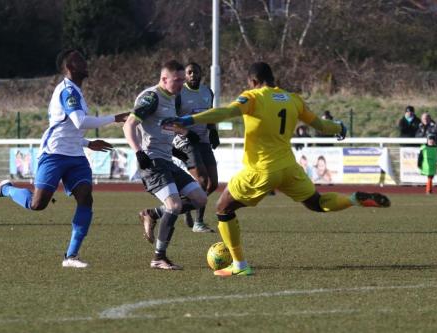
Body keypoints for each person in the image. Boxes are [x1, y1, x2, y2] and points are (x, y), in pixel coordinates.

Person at [161, 62, 391, 277]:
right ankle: (352, 199)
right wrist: (339, 127)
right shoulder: (293, 99)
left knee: (223, 209)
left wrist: (188, 120)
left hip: (260, 170)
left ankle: (239, 265)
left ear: (253, 81)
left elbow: (224, 113)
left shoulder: (252, 97)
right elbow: (319, 125)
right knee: (317, 203)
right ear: (273, 78)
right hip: (289, 168)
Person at [0, 49, 129, 268]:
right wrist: (115, 118)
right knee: (37, 204)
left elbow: (69, 128)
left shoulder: (76, 91)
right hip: (54, 154)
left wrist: (87, 143)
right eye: (79, 60)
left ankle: (71, 256)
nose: (85, 62)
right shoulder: (67, 90)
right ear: (70, 67)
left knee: (86, 198)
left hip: (75, 154)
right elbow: (79, 122)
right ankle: (5, 189)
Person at [123, 60, 208, 270]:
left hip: (167, 160)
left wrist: (175, 149)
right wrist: (138, 151)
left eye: (182, 79)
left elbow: (161, 128)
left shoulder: (173, 97)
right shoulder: (152, 97)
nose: (181, 83)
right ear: (164, 79)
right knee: (175, 206)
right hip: (152, 162)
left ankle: (152, 214)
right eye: (177, 80)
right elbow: (129, 125)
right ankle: (159, 258)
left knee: (200, 198)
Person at [173, 62, 219, 233]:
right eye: (189, 72)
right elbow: (170, 120)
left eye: (196, 72)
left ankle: (186, 203)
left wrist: (213, 131)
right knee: (202, 181)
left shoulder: (208, 92)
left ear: (201, 73)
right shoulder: (179, 93)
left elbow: (211, 113)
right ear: (185, 75)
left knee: (213, 184)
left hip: (203, 140)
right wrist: (184, 131)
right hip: (185, 141)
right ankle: (199, 223)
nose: (193, 75)